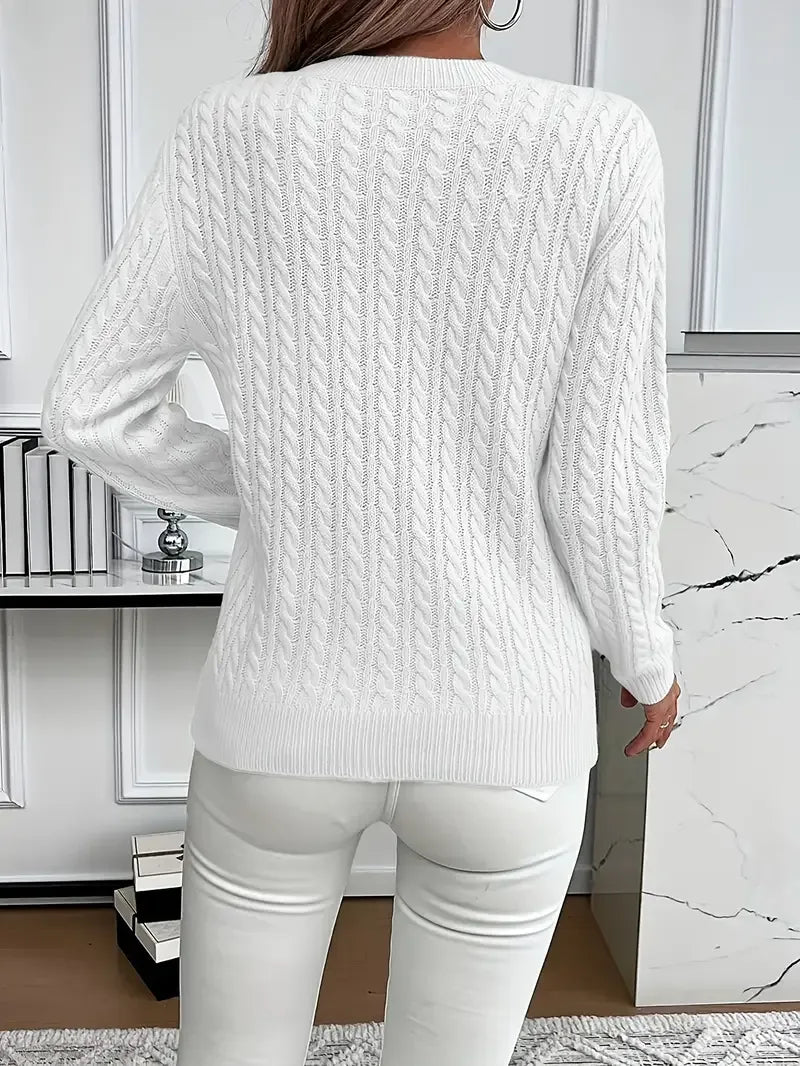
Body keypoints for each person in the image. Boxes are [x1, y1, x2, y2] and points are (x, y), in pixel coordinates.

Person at [41, 0, 681, 1062]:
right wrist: (645, 657)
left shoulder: (231, 131)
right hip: (506, 728)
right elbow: (598, 479)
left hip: (279, 721)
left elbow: (86, 409)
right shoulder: (598, 141)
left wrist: (289, 487)